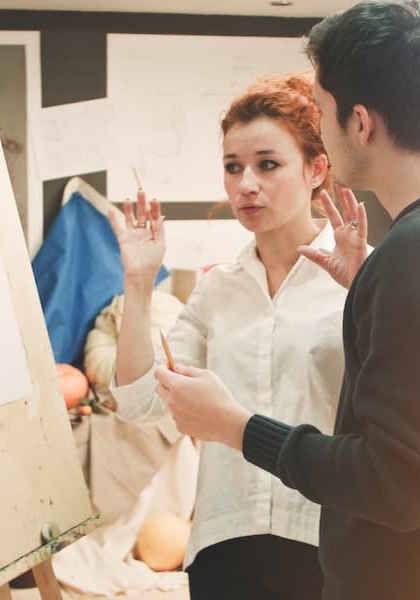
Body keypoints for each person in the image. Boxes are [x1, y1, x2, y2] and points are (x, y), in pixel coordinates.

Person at [153, 2, 420, 599]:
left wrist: (238, 428)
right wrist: (374, 291)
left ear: (360, 123)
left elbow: (396, 485)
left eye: (325, 111)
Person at [107, 74, 353, 600]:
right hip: (225, 543)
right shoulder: (217, 289)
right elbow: (137, 400)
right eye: (233, 167)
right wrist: (138, 281)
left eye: (268, 164)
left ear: (316, 169)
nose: (246, 183)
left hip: (326, 542)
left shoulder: (360, 278)